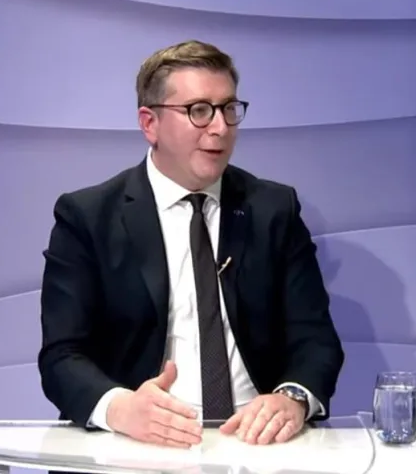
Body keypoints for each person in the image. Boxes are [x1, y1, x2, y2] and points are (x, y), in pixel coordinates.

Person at [38, 39, 344, 448]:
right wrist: (120, 409)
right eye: (199, 110)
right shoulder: (88, 217)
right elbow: (61, 356)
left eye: (229, 109)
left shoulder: (273, 210)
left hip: (255, 444)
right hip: (135, 444)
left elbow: (316, 339)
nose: (220, 128)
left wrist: (293, 398)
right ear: (150, 123)